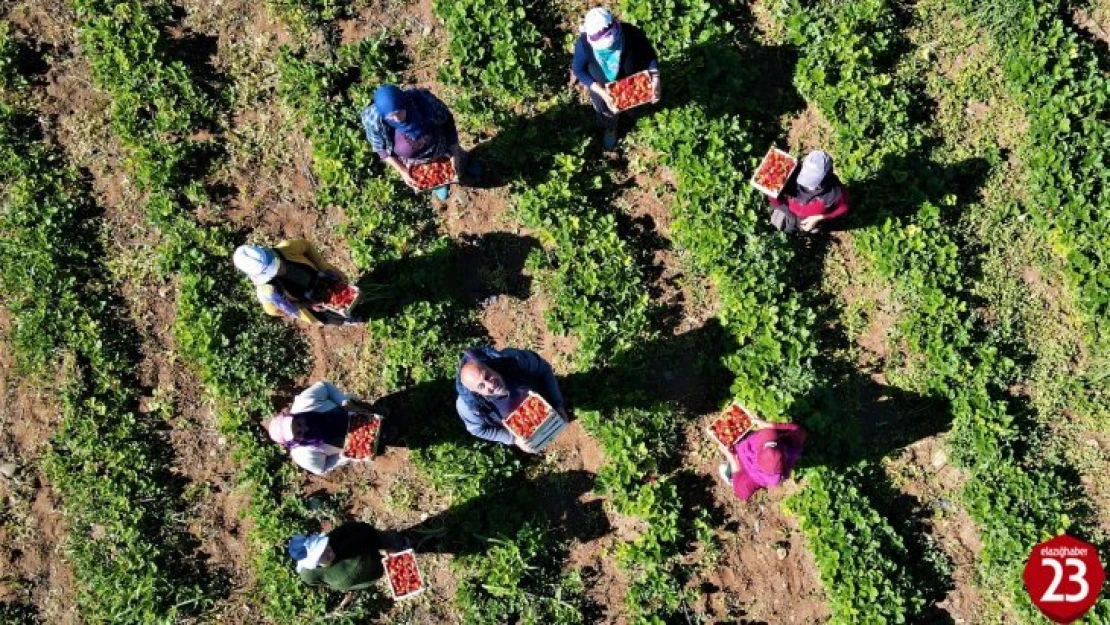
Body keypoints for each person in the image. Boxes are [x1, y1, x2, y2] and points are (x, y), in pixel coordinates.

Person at [360, 84, 478, 201]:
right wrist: (402, 171)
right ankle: (438, 185)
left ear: (403, 102)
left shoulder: (422, 101)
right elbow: (381, 151)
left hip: (440, 147)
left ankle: (465, 163)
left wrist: (454, 150)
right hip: (415, 163)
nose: (397, 119)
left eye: (399, 111)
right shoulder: (374, 121)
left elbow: (447, 120)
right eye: (391, 116)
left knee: (457, 162)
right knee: (431, 177)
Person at [571, 7, 661, 149]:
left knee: (632, 109)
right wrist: (600, 91)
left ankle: (630, 118)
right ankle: (610, 129)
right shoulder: (583, 45)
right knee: (606, 112)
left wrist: (655, 78)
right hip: (601, 90)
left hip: (632, 85)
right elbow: (578, 70)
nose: (609, 48)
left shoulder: (631, 34)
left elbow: (649, 55)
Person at [455, 346, 568, 453]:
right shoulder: (468, 407)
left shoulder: (513, 360)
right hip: (525, 432)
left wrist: (558, 404)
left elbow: (543, 368)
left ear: (488, 366)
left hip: (547, 408)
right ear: (476, 392)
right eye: (481, 386)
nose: (490, 385)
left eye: (487, 376)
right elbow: (478, 430)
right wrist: (513, 439)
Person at [267, 381, 386, 475]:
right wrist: (345, 455)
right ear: (294, 442)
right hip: (345, 443)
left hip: (347, 411)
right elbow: (323, 468)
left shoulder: (304, 401)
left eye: (298, 423)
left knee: (369, 412)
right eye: (299, 433)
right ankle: (382, 440)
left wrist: (345, 403)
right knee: (378, 443)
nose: (305, 428)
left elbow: (325, 386)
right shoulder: (303, 455)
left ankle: (371, 410)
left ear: (293, 416)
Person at [233, 240, 361, 326]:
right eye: (272, 272)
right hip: (314, 306)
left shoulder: (286, 248)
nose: (279, 270)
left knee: (348, 295)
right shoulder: (266, 292)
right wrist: (306, 304)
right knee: (337, 316)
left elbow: (306, 246)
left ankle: (358, 305)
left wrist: (323, 267)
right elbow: (276, 310)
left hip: (324, 280)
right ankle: (353, 320)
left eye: (277, 264)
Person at [289, 522, 403, 607]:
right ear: (313, 563)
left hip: (368, 546)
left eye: (324, 546)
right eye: (321, 555)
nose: (328, 552)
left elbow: (362, 529)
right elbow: (317, 582)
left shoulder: (346, 536)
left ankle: (390, 542)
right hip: (364, 572)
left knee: (388, 542)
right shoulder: (310, 575)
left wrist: (382, 549)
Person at [715, 417, 807, 501]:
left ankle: (732, 477)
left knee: (736, 482)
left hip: (749, 470)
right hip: (765, 473)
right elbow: (800, 431)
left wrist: (731, 458)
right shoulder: (790, 449)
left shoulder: (750, 481)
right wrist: (771, 425)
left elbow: (741, 495)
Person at [768, 150, 850, 233]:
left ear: (827, 175)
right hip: (787, 211)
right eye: (806, 176)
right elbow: (773, 197)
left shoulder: (836, 193)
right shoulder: (790, 173)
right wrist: (787, 212)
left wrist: (819, 218)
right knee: (780, 222)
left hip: (807, 220)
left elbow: (842, 208)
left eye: (813, 180)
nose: (808, 185)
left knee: (813, 229)